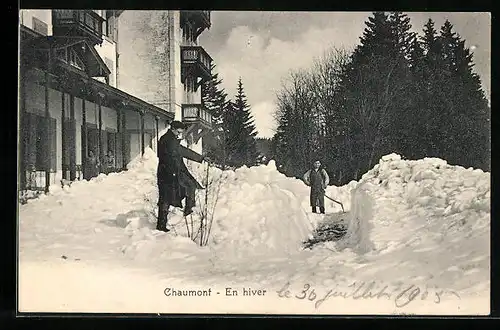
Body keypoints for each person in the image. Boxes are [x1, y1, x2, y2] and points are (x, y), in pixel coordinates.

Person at [156, 121, 210, 232]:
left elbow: (182, 151)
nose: (180, 133)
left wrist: (200, 158)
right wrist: (200, 158)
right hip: (168, 174)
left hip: (170, 172)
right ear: (174, 129)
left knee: (188, 187)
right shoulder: (168, 140)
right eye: (179, 131)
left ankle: (188, 212)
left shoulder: (170, 139)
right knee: (166, 199)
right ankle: (163, 224)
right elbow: (178, 153)